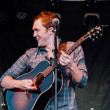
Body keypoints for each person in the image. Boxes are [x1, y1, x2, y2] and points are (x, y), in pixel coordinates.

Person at [0, 11, 88, 110]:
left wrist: (72, 65)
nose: (34, 35)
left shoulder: (72, 48)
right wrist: (21, 84)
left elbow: (83, 82)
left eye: (37, 30)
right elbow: (3, 80)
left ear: (51, 30)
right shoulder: (31, 54)